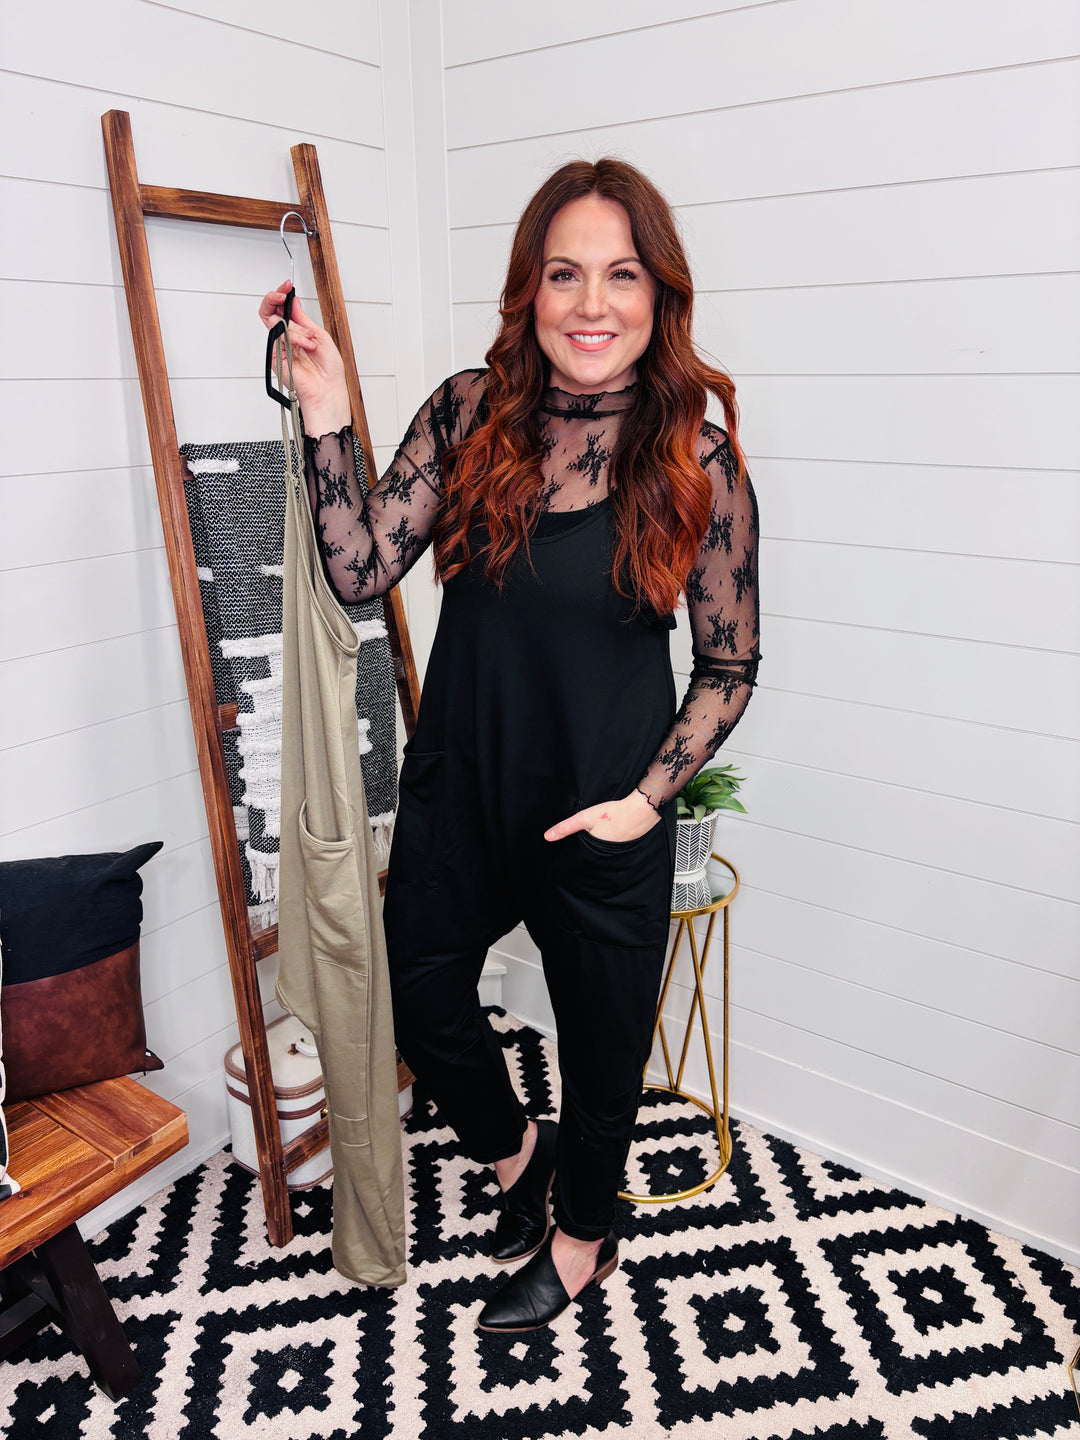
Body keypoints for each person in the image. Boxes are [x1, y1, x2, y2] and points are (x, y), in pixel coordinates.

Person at [258, 158, 760, 1333]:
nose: (592, 304)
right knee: (420, 996)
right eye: (564, 273)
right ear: (529, 289)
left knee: (601, 1058)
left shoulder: (697, 460)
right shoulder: (469, 413)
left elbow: (729, 667)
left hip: (603, 816)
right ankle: (517, 1157)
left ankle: (583, 1238)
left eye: (621, 276)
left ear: (659, 295)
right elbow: (358, 570)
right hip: (463, 792)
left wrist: (646, 801)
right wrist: (325, 408)